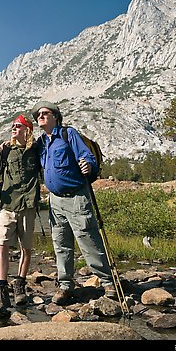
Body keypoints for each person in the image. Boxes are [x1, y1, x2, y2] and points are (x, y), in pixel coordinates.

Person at [30, 100, 117, 305]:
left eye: (44, 113)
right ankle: (65, 286)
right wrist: (8, 144)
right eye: (37, 116)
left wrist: (88, 165)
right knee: (60, 243)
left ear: (55, 116)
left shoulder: (68, 134)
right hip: (54, 201)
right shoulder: (41, 143)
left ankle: (107, 282)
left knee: (88, 239)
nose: (39, 117)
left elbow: (87, 157)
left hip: (77, 196)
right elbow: (23, 155)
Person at [0, 114, 42, 313]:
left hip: (29, 206)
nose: (13, 128)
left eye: (17, 126)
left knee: (26, 249)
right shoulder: (6, 150)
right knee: (2, 246)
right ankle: (2, 291)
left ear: (27, 130)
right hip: (7, 206)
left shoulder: (37, 150)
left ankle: (20, 285)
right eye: (13, 126)